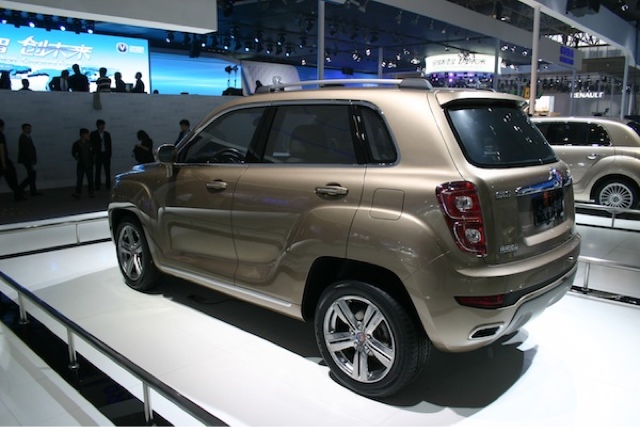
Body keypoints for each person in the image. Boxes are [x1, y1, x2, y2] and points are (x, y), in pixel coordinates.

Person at [0, 119, 25, 201]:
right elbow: (1, 149)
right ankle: (18, 196)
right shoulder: (0, 135)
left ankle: (18, 195)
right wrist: (3, 162)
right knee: (12, 180)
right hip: (3, 161)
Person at [18, 123, 42, 196]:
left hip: (28, 159)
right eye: (27, 128)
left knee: (32, 175)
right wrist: (31, 159)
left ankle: (30, 190)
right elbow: (26, 151)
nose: (29, 130)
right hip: (27, 160)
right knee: (32, 175)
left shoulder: (27, 137)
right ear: (23, 129)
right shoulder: (23, 137)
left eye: (29, 128)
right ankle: (21, 188)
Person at [71, 128, 94, 199]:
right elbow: (73, 153)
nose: (88, 135)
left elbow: (94, 152)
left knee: (90, 179)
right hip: (81, 164)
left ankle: (90, 192)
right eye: (87, 134)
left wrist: (93, 160)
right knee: (79, 179)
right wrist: (77, 159)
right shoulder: (76, 144)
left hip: (89, 164)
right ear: (83, 135)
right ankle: (78, 193)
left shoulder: (90, 143)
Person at [90, 119, 112, 190]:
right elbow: (91, 145)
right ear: (98, 126)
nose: (103, 126)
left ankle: (108, 185)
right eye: (101, 125)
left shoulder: (107, 134)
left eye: (103, 125)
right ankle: (97, 186)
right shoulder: (93, 134)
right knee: (98, 171)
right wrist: (93, 155)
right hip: (98, 155)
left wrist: (109, 154)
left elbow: (109, 145)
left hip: (106, 154)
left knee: (107, 171)